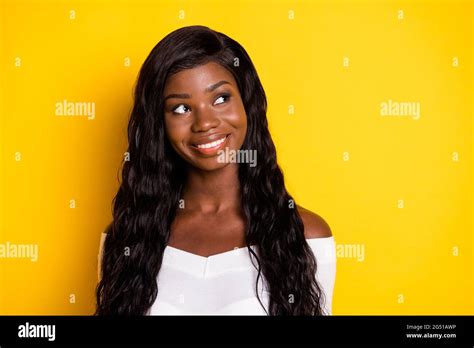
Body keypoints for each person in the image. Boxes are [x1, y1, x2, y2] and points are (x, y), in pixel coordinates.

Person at [96, 25, 336, 315]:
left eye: (221, 98)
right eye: (181, 108)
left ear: (248, 103)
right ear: (160, 124)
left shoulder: (306, 236)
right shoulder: (126, 238)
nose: (205, 123)